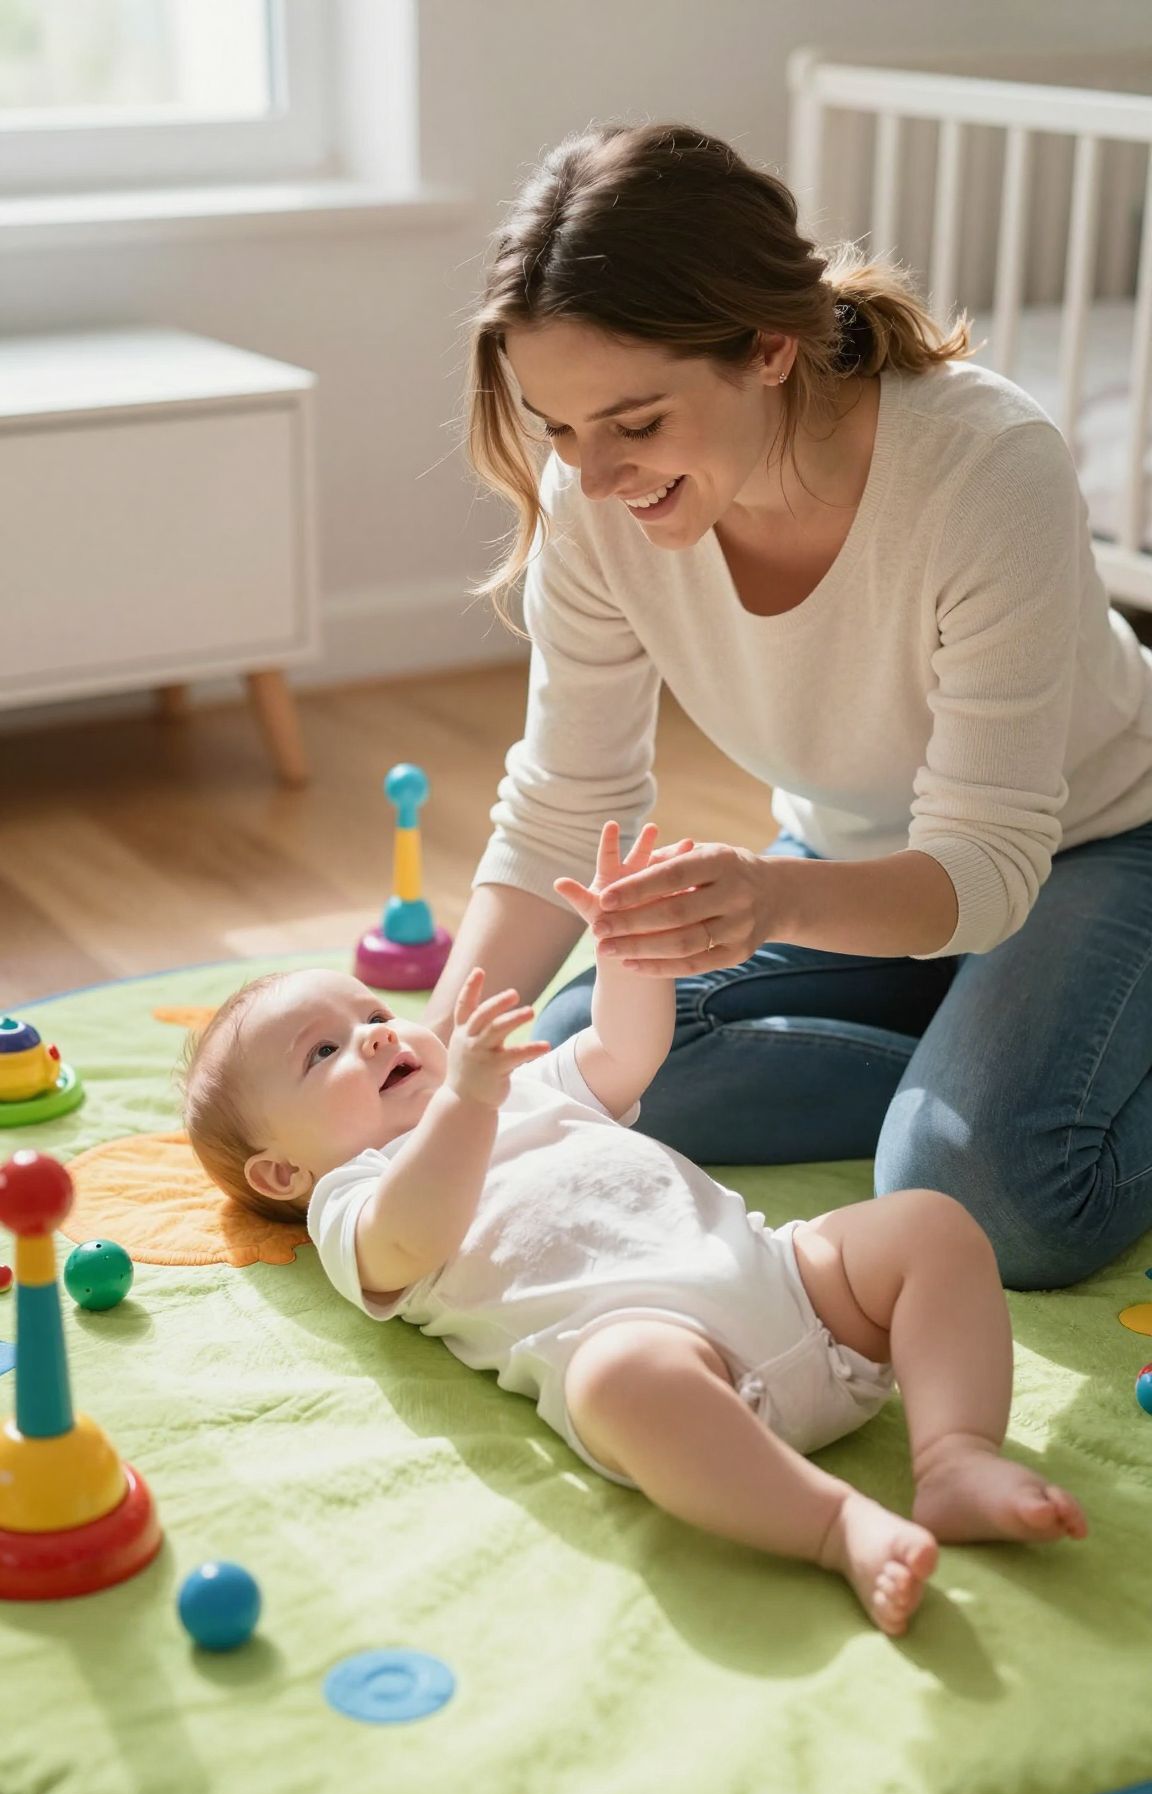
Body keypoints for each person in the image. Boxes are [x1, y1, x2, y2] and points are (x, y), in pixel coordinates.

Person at [423, 119, 1152, 1292]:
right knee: (561, 1063)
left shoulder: (985, 466)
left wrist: (773, 897)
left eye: (635, 422)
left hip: (1096, 849)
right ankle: (992, 1048)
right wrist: (443, 1059)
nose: (594, 478)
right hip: (864, 868)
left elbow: (991, 863)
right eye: (557, 427)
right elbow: (567, 800)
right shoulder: (593, 496)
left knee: (992, 1195)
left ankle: (1018, 1065)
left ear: (768, 347)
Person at [181, 823, 1088, 1640]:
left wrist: (628, 952)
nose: (373, 1038)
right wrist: (465, 1102)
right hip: (670, 1360)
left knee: (927, 1226)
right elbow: (409, 1241)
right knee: (620, 1378)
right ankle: (831, 1523)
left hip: (794, 1287)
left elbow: (626, 1052)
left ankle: (955, 1457)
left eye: (372, 1015)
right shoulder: (357, 1195)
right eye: (323, 1053)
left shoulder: (527, 1087)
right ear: (282, 1174)